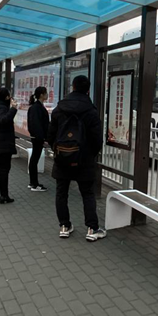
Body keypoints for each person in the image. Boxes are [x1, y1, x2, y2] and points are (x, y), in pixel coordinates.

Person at [47, 75, 106, 242]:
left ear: (72, 87)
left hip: (62, 158)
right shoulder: (91, 111)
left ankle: (64, 226)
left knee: (61, 193)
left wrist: (59, 150)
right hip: (84, 160)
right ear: (88, 90)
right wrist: (89, 154)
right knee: (87, 194)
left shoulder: (59, 109)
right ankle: (92, 229)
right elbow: (97, 140)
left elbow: (50, 135)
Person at [0, 87, 19, 204]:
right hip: (3, 144)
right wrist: (13, 109)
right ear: (6, 97)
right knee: (3, 170)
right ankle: (4, 196)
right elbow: (4, 120)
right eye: (9, 96)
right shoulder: (1, 108)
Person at [27, 86, 49, 192]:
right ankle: (34, 184)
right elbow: (37, 124)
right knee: (34, 159)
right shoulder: (37, 108)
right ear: (41, 95)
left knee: (34, 159)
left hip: (37, 137)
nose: (47, 95)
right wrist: (42, 137)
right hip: (37, 137)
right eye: (46, 93)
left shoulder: (36, 107)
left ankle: (33, 182)